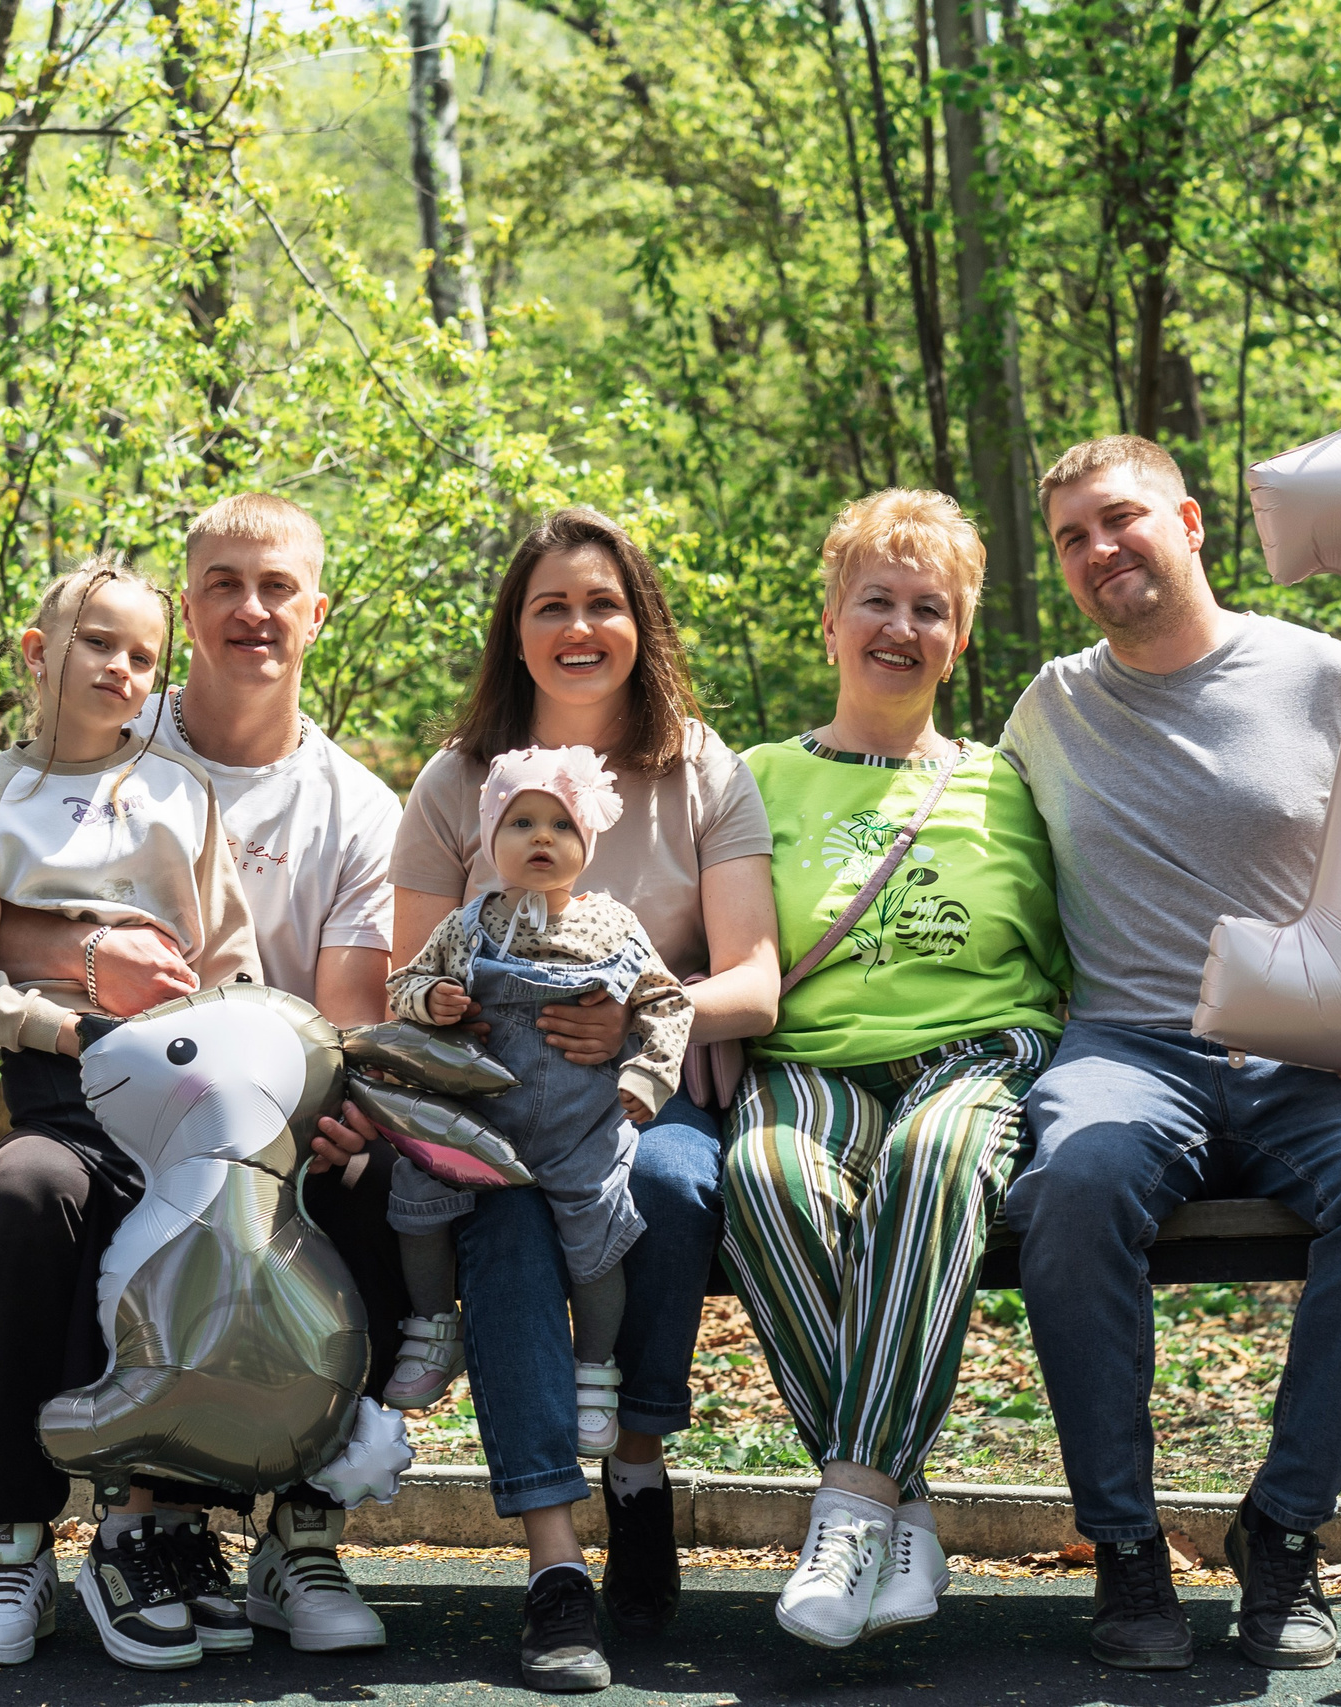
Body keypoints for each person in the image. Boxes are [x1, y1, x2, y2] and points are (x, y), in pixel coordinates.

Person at [999, 435, 1341, 1674]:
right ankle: (1124, 1548)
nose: (1097, 550)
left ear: (1188, 517)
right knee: (1073, 1183)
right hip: (1129, 1044)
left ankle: (1279, 1533)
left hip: (1314, 1050)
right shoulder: (1048, 709)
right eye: (1070, 537)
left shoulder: (1328, 674)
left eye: (1118, 519)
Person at [0, 494, 410, 1669]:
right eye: (223, 583)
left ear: (316, 613)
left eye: (277, 587)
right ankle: (15, 1541)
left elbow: (336, 1011)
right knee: (29, 1193)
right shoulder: (101, 729)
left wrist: (306, 1122)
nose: (252, 609)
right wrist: (87, 964)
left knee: (368, 1185)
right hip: (92, 1099)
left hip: (250, 1118)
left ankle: (300, 1528)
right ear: (186, 610)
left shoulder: (355, 807)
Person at [389, 506, 780, 1692]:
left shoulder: (703, 768)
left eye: (602, 603)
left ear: (640, 623)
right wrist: (445, 1014)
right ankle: (554, 1563)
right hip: (496, 1110)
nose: (577, 626)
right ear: (515, 632)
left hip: (642, 1097)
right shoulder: (458, 783)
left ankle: (640, 1467)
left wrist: (635, 1025)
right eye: (549, 605)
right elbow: (408, 979)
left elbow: (754, 980)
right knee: (502, 1229)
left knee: (665, 1185)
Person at [716, 489, 1069, 1652]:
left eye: (931, 608)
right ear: (830, 620)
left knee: (931, 1155)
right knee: (766, 1175)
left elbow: (1097, 944)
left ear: (959, 638)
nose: (901, 627)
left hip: (974, 1054)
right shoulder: (756, 775)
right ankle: (903, 1505)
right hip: (808, 1058)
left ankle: (851, 1508)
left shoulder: (1007, 783)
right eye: (877, 600)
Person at [0, 553, 263, 1673]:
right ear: (39, 653)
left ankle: (149, 1527)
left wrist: (215, 1037)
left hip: (183, 1093)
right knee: (22, 1199)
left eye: (144, 654)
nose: (124, 668)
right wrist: (61, 1024)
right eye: (101, 643)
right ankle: (13, 1542)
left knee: (214, 1224)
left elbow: (234, 964)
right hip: (62, 1096)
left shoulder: (181, 793)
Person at [385, 745, 694, 1456]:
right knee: (416, 1192)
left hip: (579, 1123)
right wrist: (431, 1000)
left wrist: (648, 1074)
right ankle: (434, 1323)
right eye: (520, 822)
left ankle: (596, 1366)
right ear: (491, 839)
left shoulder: (612, 926)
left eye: (562, 825)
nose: (541, 838)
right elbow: (402, 984)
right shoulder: (465, 925)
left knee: (598, 1240)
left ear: (588, 842)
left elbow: (667, 1002)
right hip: (478, 1116)